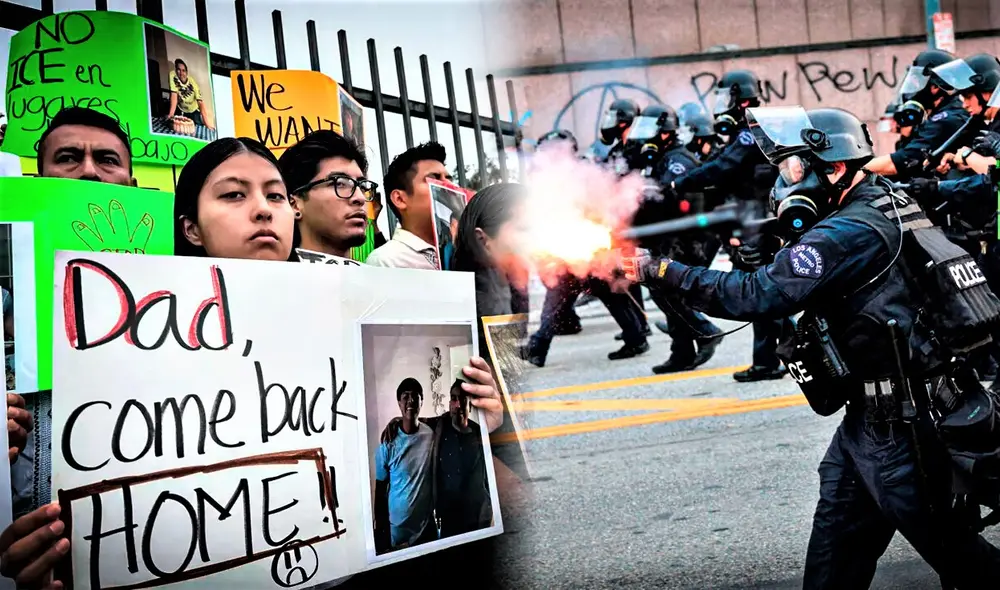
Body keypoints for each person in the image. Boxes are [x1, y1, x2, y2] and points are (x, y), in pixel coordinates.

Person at [619, 105, 1000, 588]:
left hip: (902, 430)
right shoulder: (879, 200)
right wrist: (780, 248)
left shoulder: (849, 231)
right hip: (874, 420)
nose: (786, 180)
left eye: (793, 167)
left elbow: (756, 295)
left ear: (834, 168)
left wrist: (661, 270)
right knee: (833, 560)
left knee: (962, 560)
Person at [670, 70, 788, 383]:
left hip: (757, 221)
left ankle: (768, 362)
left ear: (742, 100)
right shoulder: (747, 130)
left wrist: (680, 182)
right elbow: (719, 162)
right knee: (763, 291)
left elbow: (723, 166)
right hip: (751, 219)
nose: (722, 105)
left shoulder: (753, 130)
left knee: (759, 292)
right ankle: (784, 352)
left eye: (726, 98)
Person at [628, 104, 723, 373]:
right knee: (662, 291)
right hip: (665, 238)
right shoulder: (657, 158)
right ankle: (681, 353)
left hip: (685, 240)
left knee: (668, 292)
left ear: (665, 132)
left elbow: (669, 198)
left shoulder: (677, 160)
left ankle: (706, 330)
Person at [278, 130, 380, 263]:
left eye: (361, 186)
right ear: (295, 204)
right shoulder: (276, 274)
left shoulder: (380, 275)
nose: (360, 198)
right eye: (340, 183)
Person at [865, 49, 966, 180]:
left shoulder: (947, 119)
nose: (912, 89)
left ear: (935, 87)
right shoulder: (940, 114)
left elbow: (904, 161)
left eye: (917, 82)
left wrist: (856, 169)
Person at [374, 378, 438, 553]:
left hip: (426, 527)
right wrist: (381, 532)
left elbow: (446, 418)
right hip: (398, 530)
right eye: (405, 396)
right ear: (399, 402)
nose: (410, 401)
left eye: (415, 396)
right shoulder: (388, 443)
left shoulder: (430, 435)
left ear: (421, 401)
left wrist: (395, 419)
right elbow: (380, 491)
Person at [366, 142, 452, 270]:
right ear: (400, 199)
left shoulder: (463, 252)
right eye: (434, 179)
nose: (449, 186)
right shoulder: (387, 262)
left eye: (449, 179)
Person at [433, 380, 492, 538]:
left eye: (463, 399)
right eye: (453, 398)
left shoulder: (480, 434)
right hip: (448, 517)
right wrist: (395, 421)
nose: (458, 405)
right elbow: (416, 420)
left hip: (475, 518)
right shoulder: (440, 427)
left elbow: (488, 480)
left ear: (470, 404)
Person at [165, 58, 215, 131]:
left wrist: (207, 124)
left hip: (193, 111)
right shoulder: (172, 75)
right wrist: (171, 114)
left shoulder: (193, 83)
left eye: (183, 70)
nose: (181, 73)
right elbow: (174, 95)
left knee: (199, 125)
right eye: (178, 70)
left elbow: (201, 103)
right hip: (181, 110)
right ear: (176, 70)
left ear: (186, 72)